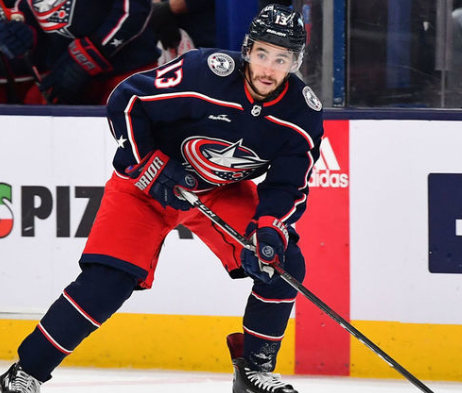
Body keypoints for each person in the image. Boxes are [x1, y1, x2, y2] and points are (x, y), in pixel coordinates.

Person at [0, 4, 323, 393]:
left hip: (218, 192)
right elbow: (127, 100)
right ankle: (25, 373)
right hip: (144, 187)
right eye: (261, 54)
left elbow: (289, 185)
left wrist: (268, 228)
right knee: (107, 282)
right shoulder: (205, 72)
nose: (268, 68)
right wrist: (150, 166)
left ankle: (254, 370)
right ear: (247, 49)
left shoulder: (301, 114)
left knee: (282, 262)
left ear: (295, 62)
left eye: (281, 58)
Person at [0, 0, 160, 104]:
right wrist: (24, 36)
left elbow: (134, 10)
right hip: (62, 72)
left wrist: (89, 55)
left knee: (129, 138)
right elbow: (27, 15)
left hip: (126, 69)